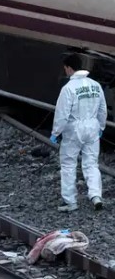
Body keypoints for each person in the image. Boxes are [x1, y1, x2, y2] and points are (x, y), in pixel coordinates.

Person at [51, 53, 108, 212]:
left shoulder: (68, 88)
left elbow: (61, 114)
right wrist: (101, 128)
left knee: (69, 164)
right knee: (91, 163)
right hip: (92, 127)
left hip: (73, 130)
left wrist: (56, 133)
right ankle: (96, 196)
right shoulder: (95, 85)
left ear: (69, 68)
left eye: (65, 68)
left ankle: (70, 202)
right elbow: (102, 110)